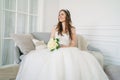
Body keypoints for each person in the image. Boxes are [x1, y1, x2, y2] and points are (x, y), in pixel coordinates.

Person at [16, 9, 109, 80]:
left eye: (62, 14)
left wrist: (66, 46)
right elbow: (51, 40)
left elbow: (73, 43)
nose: (59, 16)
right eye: (59, 14)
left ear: (67, 16)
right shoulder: (55, 27)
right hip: (56, 49)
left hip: (68, 48)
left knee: (83, 59)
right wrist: (53, 45)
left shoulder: (72, 29)